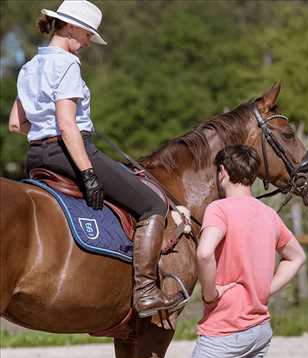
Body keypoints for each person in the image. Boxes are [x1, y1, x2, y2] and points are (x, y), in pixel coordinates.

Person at [8, 0, 184, 318]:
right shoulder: (67, 64)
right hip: (70, 152)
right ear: (72, 27)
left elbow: (16, 125)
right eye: (88, 34)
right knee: (153, 205)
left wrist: (45, 133)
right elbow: (66, 124)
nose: (89, 41)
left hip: (36, 157)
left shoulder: (30, 65)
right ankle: (145, 292)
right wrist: (87, 171)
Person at [188, 144, 306, 358]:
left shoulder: (219, 209)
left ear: (222, 172)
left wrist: (210, 294)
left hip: (224, 328)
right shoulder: (268, 214)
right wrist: (266, 289)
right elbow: (297, 257)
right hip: (258, 328)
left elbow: (205, 252)